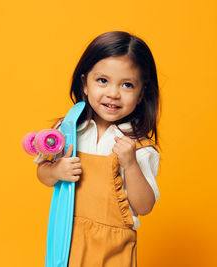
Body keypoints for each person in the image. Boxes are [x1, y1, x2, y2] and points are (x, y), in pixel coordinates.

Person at [35, 31, 161, 267]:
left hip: (113, 248)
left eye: (127, 84)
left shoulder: (139, 146)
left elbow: (144, 206)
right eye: (102, 80)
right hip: (68, 237)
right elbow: (42, 173)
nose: (113, 93)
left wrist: (131, 165)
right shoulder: (68, 129)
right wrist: (55, 172)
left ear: (141, 92)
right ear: (84, 83)